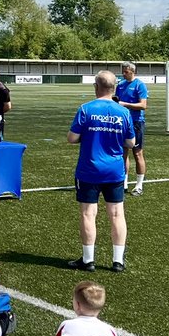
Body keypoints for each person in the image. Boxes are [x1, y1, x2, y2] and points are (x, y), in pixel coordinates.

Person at [67, 70, 135, 273]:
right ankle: (117, 261)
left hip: (89, 169)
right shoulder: (123, 112)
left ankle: (88, 260)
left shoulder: (86, 109)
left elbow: (72, 138)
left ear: (96, 86)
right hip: (114, 170)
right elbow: (130, 143)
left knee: (88, 214)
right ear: (114, 88)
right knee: (116, 214)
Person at [115, 62, 149, 196]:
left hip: (136, 122)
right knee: (123, 152)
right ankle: (123, 182)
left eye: (126, 71)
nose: (123, 73)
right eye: (123, 71)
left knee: (137, 153)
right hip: (122, 121)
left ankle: (139, 185)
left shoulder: (140, 85)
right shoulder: (121, 85)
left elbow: (143, 105)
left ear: (132, 71)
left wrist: (125, 104)